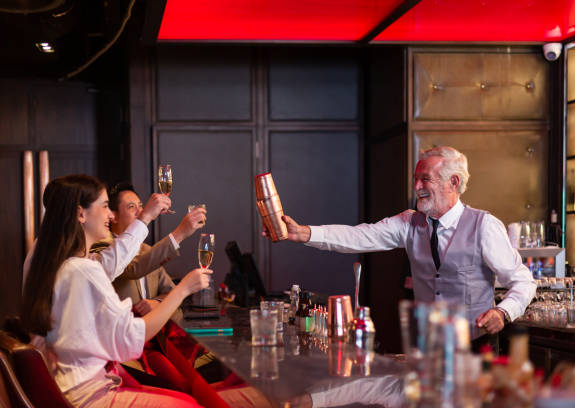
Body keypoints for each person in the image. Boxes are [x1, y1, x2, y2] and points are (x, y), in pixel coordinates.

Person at [264, 146, 536, 349]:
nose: (417, 186)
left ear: (453, 182)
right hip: (427, 347)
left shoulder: (484, 225)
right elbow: (360, 236)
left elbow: (523, 282)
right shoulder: (409, 222)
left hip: (475, 348)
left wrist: (503, 312)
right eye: (416, 179)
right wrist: (304, 233)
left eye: (425, 179)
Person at [21, 174, 212, 407]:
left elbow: (110, 264)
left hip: (73, 381)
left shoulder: (56, 258)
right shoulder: (78, 267)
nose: (109, 215)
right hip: (87, 389)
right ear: (80, 214)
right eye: (104, 206)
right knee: (189, 399)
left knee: (185, 389)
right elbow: (130, 336)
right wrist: (182, 289)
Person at [93, 182, 206, 321]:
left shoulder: (147, 250)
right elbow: (134, 268)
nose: (140, 212)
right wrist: (180, 233)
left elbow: (174, 297)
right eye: (131, 207)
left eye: (141, 206)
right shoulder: (101, 247)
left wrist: (157, 304)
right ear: (113, 216)